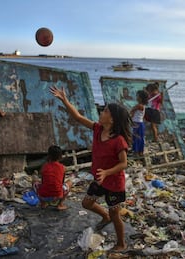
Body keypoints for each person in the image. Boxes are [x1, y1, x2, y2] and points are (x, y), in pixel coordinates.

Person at [50, 86, 132, 252]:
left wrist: (107, 172)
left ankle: (121, 243)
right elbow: (78, 117)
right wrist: (65, 100)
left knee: (116, 215)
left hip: (114, 183)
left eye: (105, 111)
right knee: (87, 203)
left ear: (112, 119)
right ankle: (104, 216)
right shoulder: (97, 129)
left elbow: (124, 164)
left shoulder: (119, 141)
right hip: (99, 179)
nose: (101, 113)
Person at [36, 145, 72, 211]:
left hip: (44, 196)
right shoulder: (62, 167)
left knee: (35, 182)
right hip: (58, 195)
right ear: (60, 156)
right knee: (69, 182)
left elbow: (43, 181)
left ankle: (43, 203)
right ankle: (60, 204)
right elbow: (62, 182)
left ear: (49, 155)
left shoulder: (44, 167)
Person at [130, 90, 148, 156]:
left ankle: (137, 152)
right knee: (138, 138)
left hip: (137, 124)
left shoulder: (139, 106)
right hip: (138, 123)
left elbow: (131, 111)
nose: (136, 97)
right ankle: (139, 152)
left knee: (137, 138)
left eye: (137, 96)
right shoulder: (142, 106)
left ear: (140, 98)